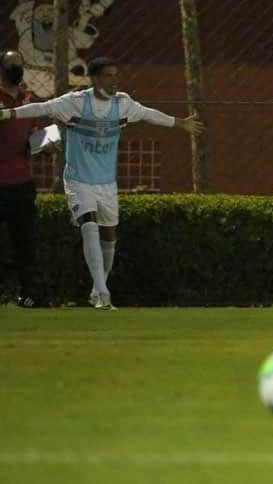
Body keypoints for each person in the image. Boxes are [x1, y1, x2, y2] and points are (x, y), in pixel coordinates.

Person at [0, 57, 204, 310]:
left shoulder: (123, 104)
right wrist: (7, 113)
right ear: (94, 79)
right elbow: (40, 109)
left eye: (115, 75)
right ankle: (102, 291)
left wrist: (179, 123)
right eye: (108, 75)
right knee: (89, 223)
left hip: (106, 182)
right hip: (78, 179)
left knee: (108, 234)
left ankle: (98, 289)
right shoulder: (74, 103)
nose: (114, 80)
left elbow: (149, 114)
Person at [0, 50, 41, 307]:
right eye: (11, 65)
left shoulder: (29, 100)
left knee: (25, 245)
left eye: (20, 65)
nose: (17, 69)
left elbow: (35, 133)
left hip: (22, 183)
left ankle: (29, 296)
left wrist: (43, 143)